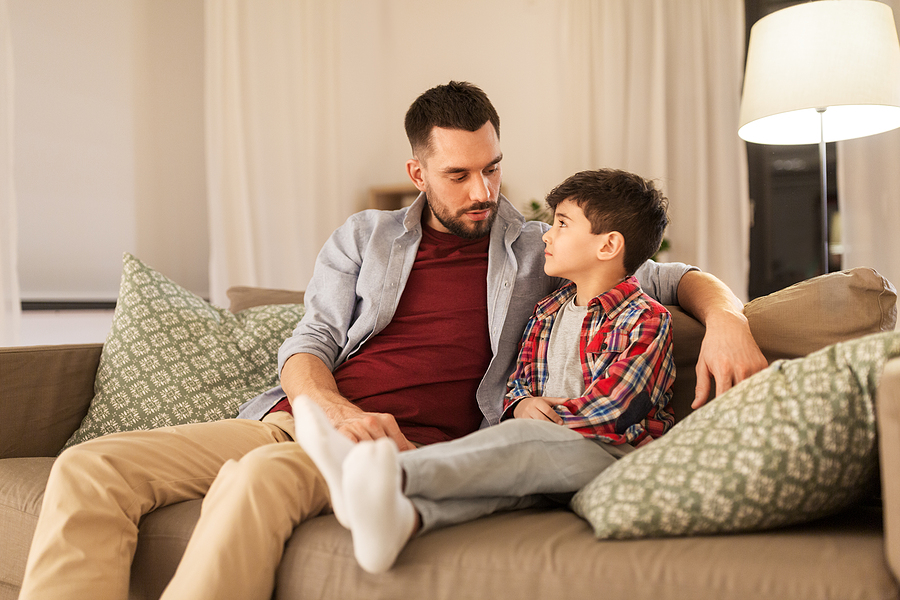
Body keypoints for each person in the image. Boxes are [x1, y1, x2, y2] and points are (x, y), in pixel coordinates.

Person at [19, 81, 766, 600]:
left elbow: (664, 273)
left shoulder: (540, 248)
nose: (484, 191)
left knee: (258, 485)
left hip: (400, 447)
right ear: (418, 171)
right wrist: (330, 406)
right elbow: (310, 336)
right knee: (92, 466)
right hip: (298, 417)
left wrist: (728, 317)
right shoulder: (364, 237)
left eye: (494, 167)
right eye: (461, 174)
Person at [294, 167, 677, 573]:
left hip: (614, 453)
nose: (546, 234)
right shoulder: (548, 311)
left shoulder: (644, 319)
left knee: (524, 445)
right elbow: (520, 379)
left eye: (562, 225)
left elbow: (614, 410)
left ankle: (386, 474)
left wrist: (539, 423)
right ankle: (403, 522)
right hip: (546, 455)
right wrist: (521, 404)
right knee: (499, 489)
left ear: (608, 246)